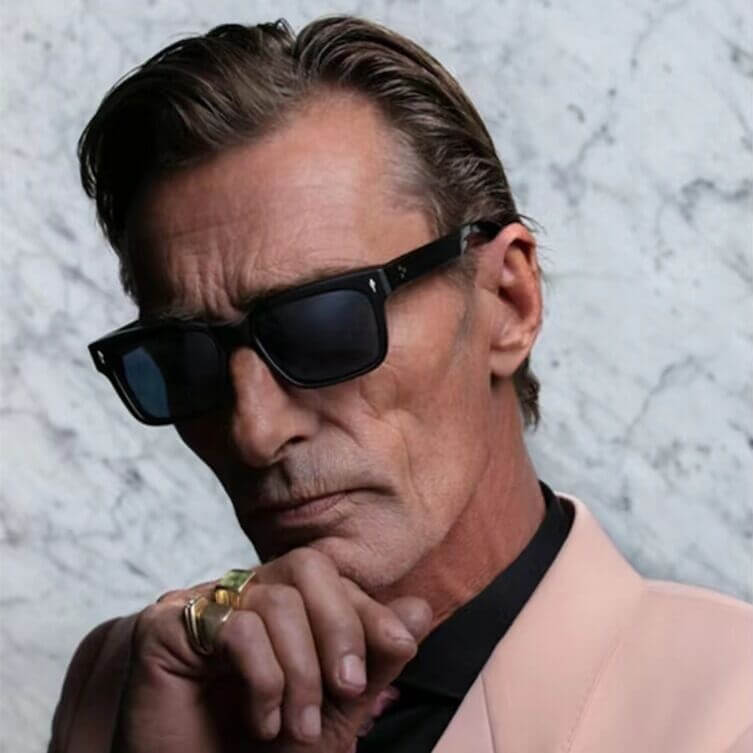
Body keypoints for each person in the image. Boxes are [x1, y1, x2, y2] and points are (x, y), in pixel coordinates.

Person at [49, 15, 751, 753]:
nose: (252, 432)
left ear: (507, 301)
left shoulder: (728, 715)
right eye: (183, 359)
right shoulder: (123, 690)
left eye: (323, 325)